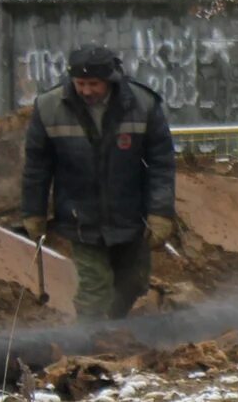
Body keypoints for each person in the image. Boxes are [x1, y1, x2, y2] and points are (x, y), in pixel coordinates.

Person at [20, 45, 177, 322]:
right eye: (80, 84)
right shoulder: (49, 108)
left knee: (133, 285)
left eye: (94, 84)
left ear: (110, 79)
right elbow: (37, 166)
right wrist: (34, 212)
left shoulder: (142, 105)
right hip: (81, 216)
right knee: (94, 288)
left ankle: (116, 335)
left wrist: (160, 213)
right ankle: (88, 345)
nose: (86, 91)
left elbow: (161, 164)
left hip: (130, 215)